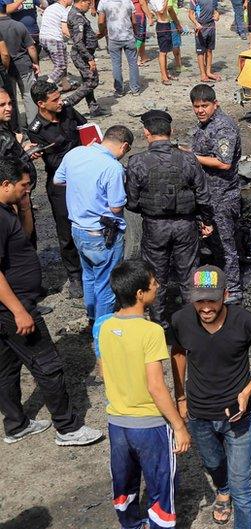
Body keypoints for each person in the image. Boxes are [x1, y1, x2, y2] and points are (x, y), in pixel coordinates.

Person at [171, 265, 251, 529]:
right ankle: (222, 490)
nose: (205, 308)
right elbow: (178, 354)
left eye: (212, 301)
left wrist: (248, 391)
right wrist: (180, 397)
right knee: (213, 463)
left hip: (238, 417)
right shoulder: (181, 320)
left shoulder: (245, 322)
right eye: (200, 300)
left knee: (244, 489)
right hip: (199, 415)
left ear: (225, 295)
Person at [0, 158, 103, 446]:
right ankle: (68, 428)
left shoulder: (7, 210)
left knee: (6, 368)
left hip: (9, 308)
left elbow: (26, 236)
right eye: (22, 186)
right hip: (14, 308)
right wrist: (19, 311)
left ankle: (16, 424)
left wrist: (24, 204)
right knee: (48, 365)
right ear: (5, 184)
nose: (26, 190)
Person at [94, 259, 194, 529]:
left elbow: (104, 371)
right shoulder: (151, 332)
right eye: (153, 283)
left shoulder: (105, 326)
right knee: (162, 489)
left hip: (117, 423)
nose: (158, 286)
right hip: (149, 427)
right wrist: (179, 425)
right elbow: (155, 386)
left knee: (124, 484)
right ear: (140, 294)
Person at [125, 110, 214, 327]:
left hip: (155, 227)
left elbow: (132, 202)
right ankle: (191, 323)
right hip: (186, 226)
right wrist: (207, 221)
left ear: (146, 133)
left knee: (156, 277)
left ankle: (158, 323)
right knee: (189, 276)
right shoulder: (188, 159)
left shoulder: (137, 162)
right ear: (171, 131)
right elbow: (203, 195)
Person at [56, 124, 132, 322]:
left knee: (89, 276)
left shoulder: (76, 153)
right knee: (106, 285)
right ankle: (102, 332)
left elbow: (58, 180)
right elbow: (116, 207)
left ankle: (91, 317)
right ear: (124, 146)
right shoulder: (113, 168)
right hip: (102, 234)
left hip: (78, 230)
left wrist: (81, 186)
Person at [25, 79, 85, 297]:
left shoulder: (68, 111)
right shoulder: (36, 130)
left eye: (59, 97)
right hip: (61, 184)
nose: (61, 102)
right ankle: (75, 276)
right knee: (66, 232)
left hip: (85, 178)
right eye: (55, 100)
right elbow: (52, 163)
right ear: (41, 104)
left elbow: (85, 129)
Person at [190, 84, 244, 303]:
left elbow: (223, 162)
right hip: (207, 195)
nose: (201, 110)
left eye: (205, 106)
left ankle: (233, 289)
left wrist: (190, 156)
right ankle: (213, 283)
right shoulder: (204, 125)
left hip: (223, 195)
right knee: (209, 242)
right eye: (197, 106)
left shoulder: (224, 127)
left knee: (225, 243)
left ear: (215, 104)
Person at [0, 89, 36, 242]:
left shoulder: (4, 126)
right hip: (13, 197)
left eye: (10, 103)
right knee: (20, 240)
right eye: (2, 105)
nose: (8, 108)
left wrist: (23, 151)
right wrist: (25, 156)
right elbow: (5, 166)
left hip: (19, 193)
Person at [63, 0, 104, 116]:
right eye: (88, 3)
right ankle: (67, 102)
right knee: (92, 81)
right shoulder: (77, 17)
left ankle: (94, 109)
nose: (89, 6)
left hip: (84, 53)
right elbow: (78, 41)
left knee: (88, 81)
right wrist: (89, 59)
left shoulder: (78, 14)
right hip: (82, 55)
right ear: (81, 2)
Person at [0, 9, 40, 129]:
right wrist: (36, 63)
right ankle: (33, 126)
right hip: (24, 65)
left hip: (6, 70)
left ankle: (15, 128)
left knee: (10, 99)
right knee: (29, 96)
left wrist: (5, 68)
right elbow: (31, 48)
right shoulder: (18, 25)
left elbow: (5, 54)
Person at [98, 0, 142, 97]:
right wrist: (136, 32)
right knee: (133, 63)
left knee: (116, 64)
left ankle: (119, 90)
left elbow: (101, 22)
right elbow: (134, 22)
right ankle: (135, 89)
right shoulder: (128, 2)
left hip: (113, 38)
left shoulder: (103, 2)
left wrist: (101, 32)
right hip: (129, 37)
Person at [37, 0, 73, 88]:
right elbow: (65, 31)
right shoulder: (64, 11)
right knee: (61, 66)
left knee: (62, 61)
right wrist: (77, 39)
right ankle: (46, 86)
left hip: (44, 38)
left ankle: (66, 85)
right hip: (54, 40)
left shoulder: (50, 8)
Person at [151, 0, 183, 85]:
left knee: (166, 51)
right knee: (163, 52)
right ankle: (164, 76)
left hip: (166, 23)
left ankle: (166, 74)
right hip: (162, 25)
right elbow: (163, 11)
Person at [188, 0, 220, 82]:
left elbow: (215, 11)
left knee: (209, 50)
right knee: (200, 52)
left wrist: (217, 16)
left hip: (211, 26)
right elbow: (190, 14)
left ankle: (208, 72)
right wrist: (196, 23)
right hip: (200, 27)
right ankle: (203, 74)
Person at [132, 0, 154, 65]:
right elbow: (142, 3)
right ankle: (134, 60)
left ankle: (143, 56)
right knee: (139, 37)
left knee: (142, 36)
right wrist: (150, 17)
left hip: (132, 13)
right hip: (138, 13)